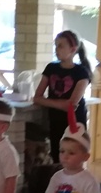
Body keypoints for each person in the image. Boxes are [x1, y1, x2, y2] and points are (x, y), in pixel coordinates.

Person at [34, 30, 93, 162]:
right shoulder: (51, 68)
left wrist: (48, 101)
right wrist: (61, 105)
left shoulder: (81, 72)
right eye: (55, 46)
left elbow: (71, 104)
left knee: (74, 156)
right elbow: (37, 97)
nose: (56, 49)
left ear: (72, 49)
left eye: (60, 46)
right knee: (57, 155)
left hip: (74, 121)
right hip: (55, 119)